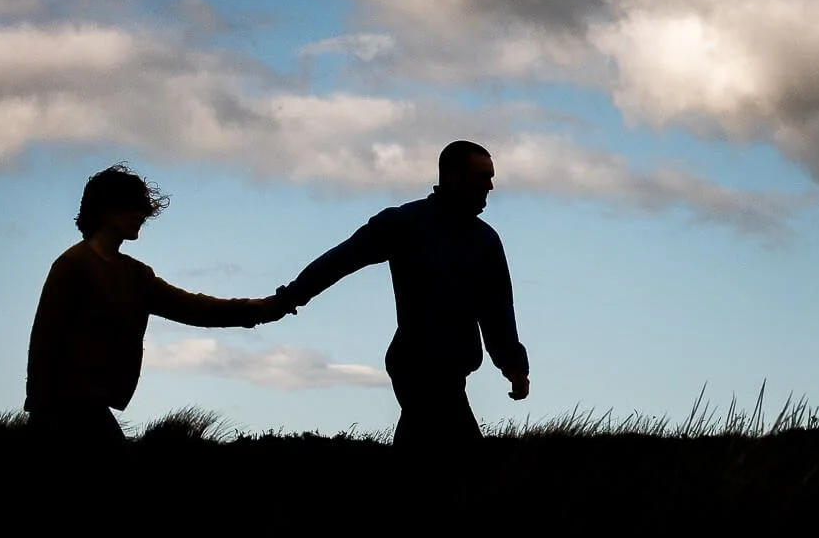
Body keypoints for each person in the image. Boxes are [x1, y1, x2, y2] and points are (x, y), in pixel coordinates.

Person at [272, 140, 531, 449]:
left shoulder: (486, 239)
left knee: (422, 455)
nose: (490, 186)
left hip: (452, 370)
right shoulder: (405, 223)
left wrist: (513, 367)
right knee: (461, 456)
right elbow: (341, 260)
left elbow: (497, 309)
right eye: (482, 176)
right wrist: (289, 297)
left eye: (491, 177)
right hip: (416, 366)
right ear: (453, 176)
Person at [26, 163, 283, 448]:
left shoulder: (136, 275)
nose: (141, 216)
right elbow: (44, 341)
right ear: (105, 209)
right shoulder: (72, 265)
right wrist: (39, 411)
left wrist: (254, 310)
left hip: (90, 406)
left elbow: (190, 308)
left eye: (143, 209)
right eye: (133, 207)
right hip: (64, 408)